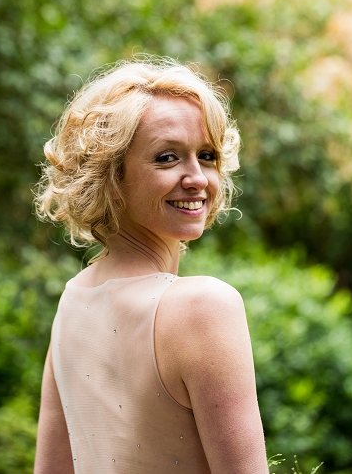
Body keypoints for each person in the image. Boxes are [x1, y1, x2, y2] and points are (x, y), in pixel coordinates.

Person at [33, 60, 269, 473]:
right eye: (167, 158)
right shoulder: (204, 307)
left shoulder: (73, 300)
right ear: (110, 175)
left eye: (207, 156)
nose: (197, 178)